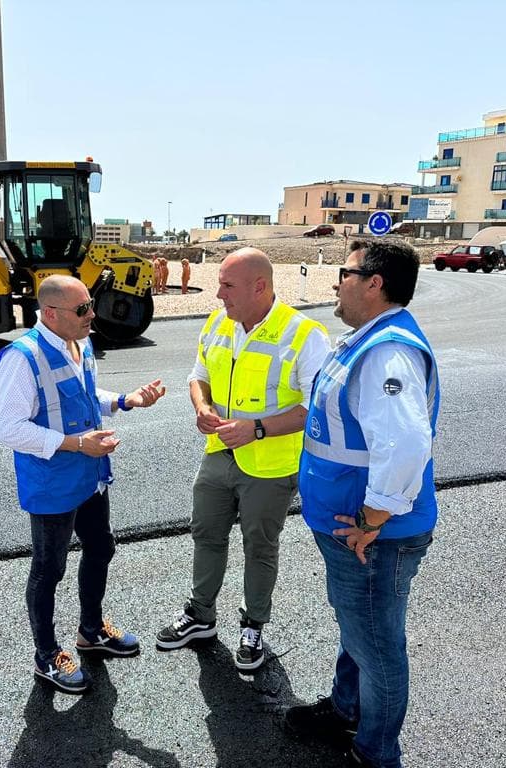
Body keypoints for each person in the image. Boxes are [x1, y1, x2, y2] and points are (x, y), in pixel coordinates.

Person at [284, 240, 440, 768]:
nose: (336, 282)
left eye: (345, 273)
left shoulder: (386, 353)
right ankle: (346, 710)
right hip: (355, 527)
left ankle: (375, 752)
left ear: (375, 283)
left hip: (373, 536)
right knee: (361, 631)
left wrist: (373, 519)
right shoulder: (364, 341)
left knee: (377, 646)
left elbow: (407, 444)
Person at [156, 247, 329, 671]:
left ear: (259, 287)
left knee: (259, 546)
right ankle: (201, 616)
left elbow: (317, 408)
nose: (218, 294)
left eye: (227, 285)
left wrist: (257, 429)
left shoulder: (304, 334)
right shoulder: (219, 323)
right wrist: (202, 407)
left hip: (270, 466)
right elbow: (199, 377)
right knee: (206, 533)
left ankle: (253, 626)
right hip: (219, 452)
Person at [0, 275, 166, 695]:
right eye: (83, 309)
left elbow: (84, 393)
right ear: (51, 314)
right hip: (52, 482)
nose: (93, 314)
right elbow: (9, 429)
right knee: (48, 570)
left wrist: (124, 400)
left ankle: (91, 631)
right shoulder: (23, 357)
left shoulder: (80, 343)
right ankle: (46, 656)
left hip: (90, 474)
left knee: (101, 546)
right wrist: (76, 443)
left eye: (91, 304)